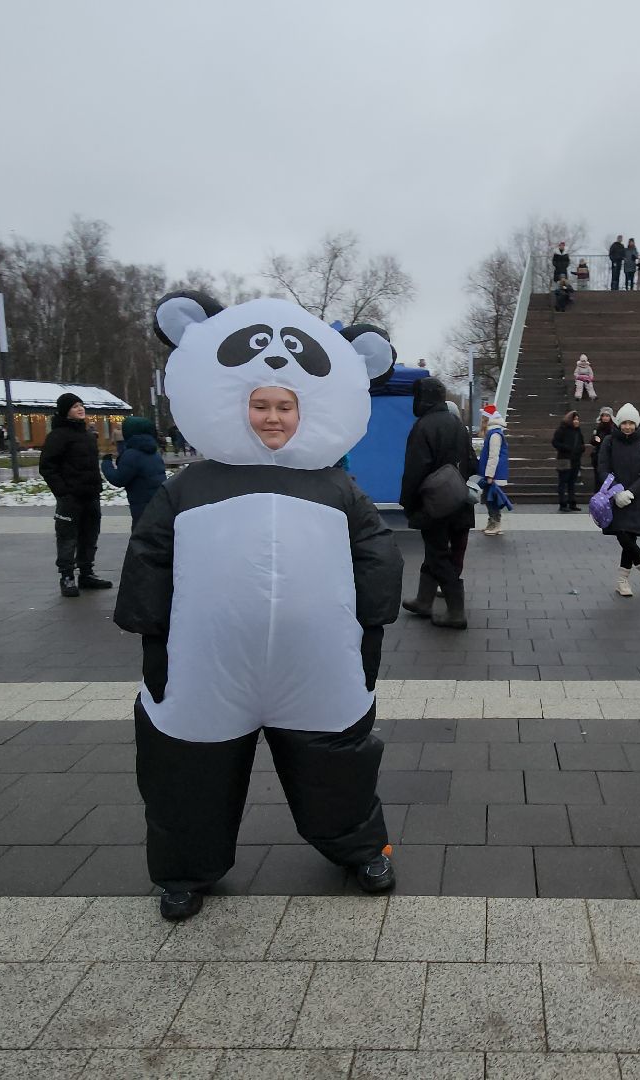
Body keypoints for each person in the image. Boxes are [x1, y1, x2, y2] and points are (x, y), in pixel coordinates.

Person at [122, 293, 405, 920]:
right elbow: (149, 558)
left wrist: (372, 632)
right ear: (236, 403)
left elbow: (378, 556)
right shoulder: (186, 487)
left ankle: (360, 848)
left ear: (304, 411)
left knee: (340, 765)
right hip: (206, 667)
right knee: (187, 770)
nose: (271, 417)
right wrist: (150, 639)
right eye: (260, 404)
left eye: (284, 405)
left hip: (318, 665)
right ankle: (184, 870)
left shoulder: (336, 486)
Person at [399, 376, 477, 629]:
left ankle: (455, 612)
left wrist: (408, 504)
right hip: (458, 500)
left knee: (437, 553)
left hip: (433, 504)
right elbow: (472, 463)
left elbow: (414, 471)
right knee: (437, 552)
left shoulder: (424, 427)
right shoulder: (456, 423)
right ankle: (424, 600)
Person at [39, 393, 109, 597]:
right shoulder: (58, 436)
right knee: (67, 537)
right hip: (70, 498)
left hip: (91, 495)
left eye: (81, 405)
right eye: (74, 406)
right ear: (65, 411)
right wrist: (63, 492)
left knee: (89, 535)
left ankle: (86, 573)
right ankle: (67, 576)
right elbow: (47, 467)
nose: (80, 409)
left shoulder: (87, 435)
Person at [597, 403, 640, 596]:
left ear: (637, 424)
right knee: (622, 535)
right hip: (615, 497)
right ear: (618, 423)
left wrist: (631, 493)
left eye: (631, 423)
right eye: (624, 423)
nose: (628, 427)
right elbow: (603, 468)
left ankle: (622, 581)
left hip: (636, 498)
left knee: (629, 537)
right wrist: (616, 492)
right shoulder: (609, 441)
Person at [101, 416, 170, 521]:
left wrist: (106, 463)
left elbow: (118, 479)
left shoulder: (132, 454)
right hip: (159, 503)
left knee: (142, 535)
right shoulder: (154, 452)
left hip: (142, 506)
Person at [478, 407, 511, 537]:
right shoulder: (495, 433)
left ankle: (495, 524)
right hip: (495, 473)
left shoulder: (494, 434)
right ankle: (493, 523)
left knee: (490, 499)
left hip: (494, 474)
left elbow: (493, 456)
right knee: (490, 499)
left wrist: (490, 475)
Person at [552, 410, 585, 511]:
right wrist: (566, 448)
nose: (576, 421)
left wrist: (581, 449)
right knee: (563, 482)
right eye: (574, 419)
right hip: (564, 460)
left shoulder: (578, 431)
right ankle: (562, 503)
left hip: (575, 460)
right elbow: (555, 442)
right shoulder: (562, 429)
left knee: (572, 482)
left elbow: (581, 443)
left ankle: (572, 502)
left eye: (577, 420)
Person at [588, 406, 615, 478]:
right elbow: (592, 441)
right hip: (598, 456)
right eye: (603, 416)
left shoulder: (613, 429)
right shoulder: (598, 427)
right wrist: (595, 440)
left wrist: (601, 440)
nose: (605, 418)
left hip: (609, 457)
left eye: (607, 416)